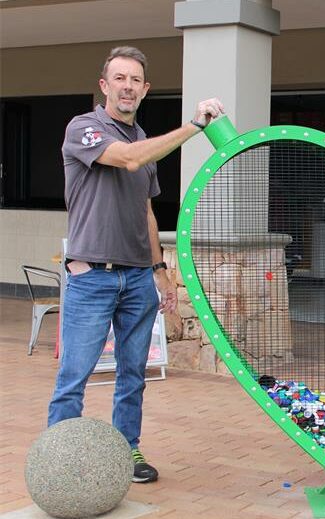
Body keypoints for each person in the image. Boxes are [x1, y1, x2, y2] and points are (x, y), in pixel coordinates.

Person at [47, 46, 224, 483]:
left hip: (137, 279)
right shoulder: (85, 128)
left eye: (135, 81)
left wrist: (159, 271)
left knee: (133, 376)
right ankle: (59, 463)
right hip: (93, 277)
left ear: (144, 90)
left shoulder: (141, 137)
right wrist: (195, 126)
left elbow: (146, 211)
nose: (127, 87)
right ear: (105, 86)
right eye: (119, 79)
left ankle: (127, 451)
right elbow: (128, 159)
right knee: (75, 376)